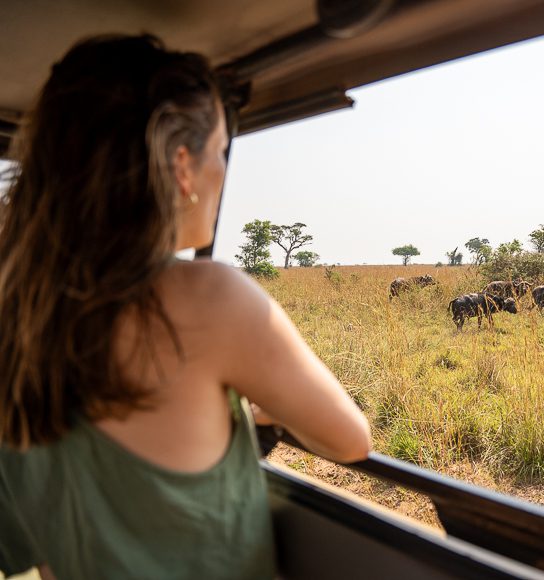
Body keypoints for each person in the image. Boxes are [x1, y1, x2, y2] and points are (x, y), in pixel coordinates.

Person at [0, 35, 371, 579]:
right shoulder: (209, 296)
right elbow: (350, 438)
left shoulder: (18, 316)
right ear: (182, 165)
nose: (223, 170)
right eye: (221, 151)